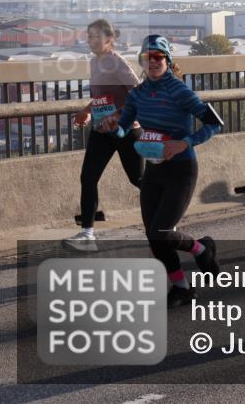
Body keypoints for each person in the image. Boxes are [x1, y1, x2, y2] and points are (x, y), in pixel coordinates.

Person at [97, 35, 222, 308]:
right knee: (153, 236)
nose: (152, 62)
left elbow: (214, 123)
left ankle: (202, 248)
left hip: (181, 169)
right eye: (147, 57)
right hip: (154, 170)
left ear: (167, 60)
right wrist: (111, 127)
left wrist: (184, 142)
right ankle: (181, 289)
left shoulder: (179, 91)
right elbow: (125, 128)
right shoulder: (138, 94)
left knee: (162, 232)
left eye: (158, 57)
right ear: (142, 61)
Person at [63, 19, 144, 251]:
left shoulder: (118, 64)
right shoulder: (94, 63)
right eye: (89, 37)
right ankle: (87, 234)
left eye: (96, 37)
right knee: (88, 177)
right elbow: (102, 97)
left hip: (126, 130)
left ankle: (165, 220)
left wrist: (119, 116)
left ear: (109, 39)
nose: (91, 41)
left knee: (138, 179)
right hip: (101, 130)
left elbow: (138, 94)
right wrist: (86, 111)